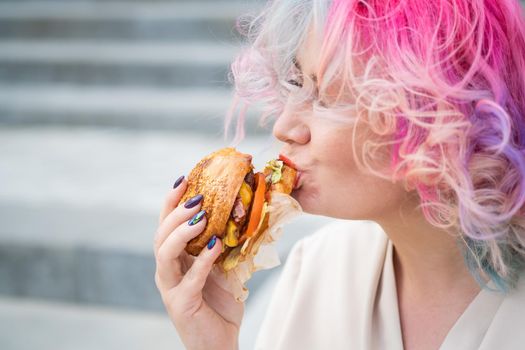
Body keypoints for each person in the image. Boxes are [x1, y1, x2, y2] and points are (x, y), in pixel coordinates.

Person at [153, 0, 525, 349]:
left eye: (325, 98)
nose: (284, 127)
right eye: (297, 85)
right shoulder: (316, 269)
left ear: (435, 118)